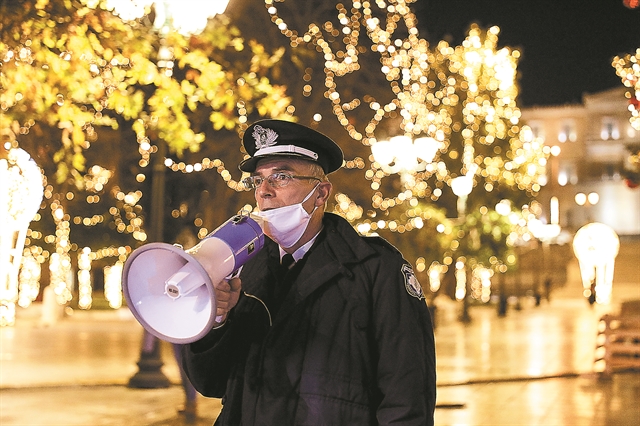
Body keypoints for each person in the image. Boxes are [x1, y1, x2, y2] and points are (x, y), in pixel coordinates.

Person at [182, 119, 437, 425]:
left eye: (281, 176)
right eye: (258, 180)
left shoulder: (375, 269)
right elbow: (211, 382)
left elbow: (406, 400)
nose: (264, 191)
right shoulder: (242, 268)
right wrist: (217, 320)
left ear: (321, 194)